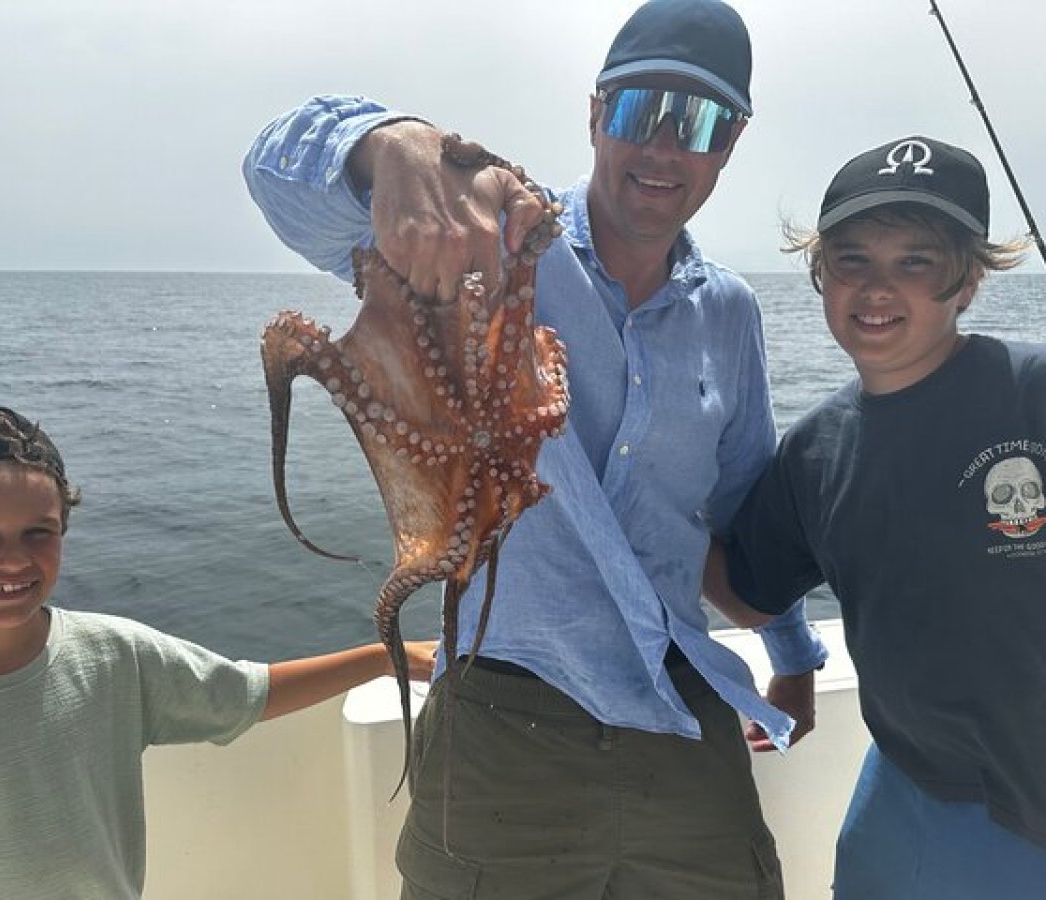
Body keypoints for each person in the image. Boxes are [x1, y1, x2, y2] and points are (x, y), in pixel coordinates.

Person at [244, 1, 829, 896]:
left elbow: (743, 511)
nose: (666, 149)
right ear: (596, 113)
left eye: (702, 122)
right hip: (501, 715)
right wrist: (387, 142)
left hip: (680, 708)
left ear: (732, 142)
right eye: (641, 111)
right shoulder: (485, 232)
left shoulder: (729, 313)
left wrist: (791, 658)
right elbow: (277, 178)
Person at [0, 403, 437, 899]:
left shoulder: (114, 657)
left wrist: (384, 655)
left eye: (39, 532)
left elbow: (244, 693)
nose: (14, 559)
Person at [703, 136, 1046, 898]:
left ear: (969, 280)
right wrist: (644, 494)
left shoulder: (1035, 390)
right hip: (909, 789)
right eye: (851, 259)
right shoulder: (815, 450)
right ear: (821, 274)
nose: (876, 288)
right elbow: (748, 591)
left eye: (915, 261)